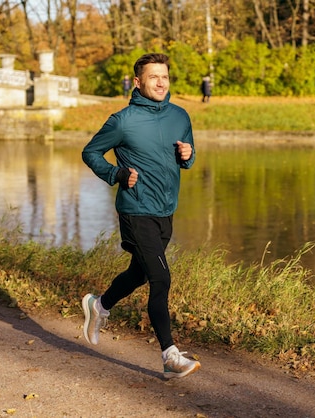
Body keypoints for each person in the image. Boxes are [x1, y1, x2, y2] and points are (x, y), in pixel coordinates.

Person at [81, 53, 200, 379]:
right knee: (161, 278)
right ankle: (169, 355)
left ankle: (99, 305)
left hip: (166, 209)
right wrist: (116, 174)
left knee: (140, 273)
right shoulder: (123, 121)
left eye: (164, 76)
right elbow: (90, 152)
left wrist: (188, 155)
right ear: (138, 82)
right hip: (135, 209)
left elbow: (187, 154)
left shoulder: (180, 116)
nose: (161, 82)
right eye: (153, 77)